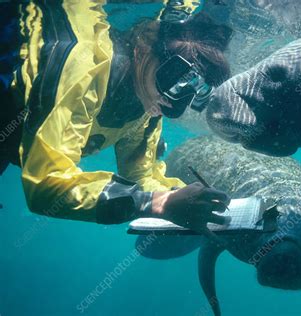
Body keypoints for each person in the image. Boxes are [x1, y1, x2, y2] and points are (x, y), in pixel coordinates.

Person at [0, 0, 233, 238]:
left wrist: (186, 198)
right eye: (179, 79)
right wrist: (152, 203)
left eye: (196, 90)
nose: (176, 102)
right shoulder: (82, 70)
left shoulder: (148, 100)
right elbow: (45, 184)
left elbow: (140, 176)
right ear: (144, 45)